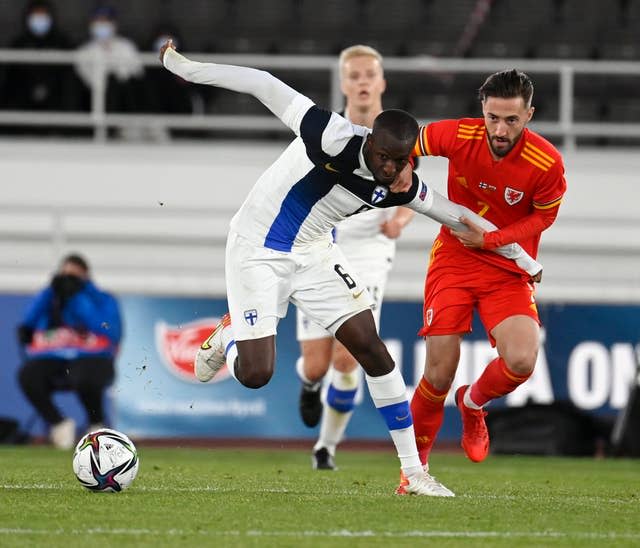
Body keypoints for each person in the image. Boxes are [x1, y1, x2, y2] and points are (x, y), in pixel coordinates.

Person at [159, 41, 541, 496]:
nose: (390, 169)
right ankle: (230, 336)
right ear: (370, 142)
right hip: (257, 247)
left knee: (373, 351)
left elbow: (456, 214)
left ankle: (414, 472)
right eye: (383, 157)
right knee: (257, 373)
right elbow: (263, 84)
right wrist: (186, 67)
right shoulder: (331, 135)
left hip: (315, 253)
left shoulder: (400, 184)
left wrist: (523, 258)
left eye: (400, 162)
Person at [400, 69, 566, 493]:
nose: (500, 128)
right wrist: (405, 167)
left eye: (511, 119)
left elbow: (543, 217)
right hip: (454, 257)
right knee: (438, 371)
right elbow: (409, 141)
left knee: (523, 360)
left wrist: (490, 239)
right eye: (493, 117)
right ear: (483, 110)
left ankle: (473, 404)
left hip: (506, 266)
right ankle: (413, 473)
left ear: (529, 114)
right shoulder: (459, 134)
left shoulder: (546, 163)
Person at [294, 44, 415, 471]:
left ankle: (325, 447)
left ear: (381, 82)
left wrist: (400, 219)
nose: (363, 82)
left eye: (370, 75)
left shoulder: (398, 132)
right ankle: (308, 385)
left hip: (369, 250)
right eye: (354, 75)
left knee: (350, 357)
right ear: (343, 83)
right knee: (315, 365)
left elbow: (411, 187)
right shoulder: (330, 130)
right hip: (321, 243)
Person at [16, 254, 122, 449]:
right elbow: (29, 323)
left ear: (86, 276)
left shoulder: (103, 299)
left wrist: (78, 297)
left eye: (74, 276)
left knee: (83, 374)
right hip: (55, 356)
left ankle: (95, 424)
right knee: (29, 375)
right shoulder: (50, 298)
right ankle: (58, 424)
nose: (68, 281)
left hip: (92, 357)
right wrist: (51, 291)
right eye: (64, 276)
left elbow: (109, 330)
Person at [0, 1, 79, 122]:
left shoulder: (63, 43)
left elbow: (69, 77)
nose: (39, 20)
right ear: (28, 18)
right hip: (24, 102)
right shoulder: (18, 44)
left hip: (55, 101)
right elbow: (11, 79)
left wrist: (47, 86)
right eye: (36, 15)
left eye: (43, 15)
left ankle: (66, 128)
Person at [74, 5, 145, 120]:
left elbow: (137, 74)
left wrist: (115, 77)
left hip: (125, 101)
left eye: (106, 21)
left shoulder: (127, 47)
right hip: (94, 99)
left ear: (114, 24)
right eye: (98, 21)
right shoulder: (84, 52)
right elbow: (87, 80)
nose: (102, 25)